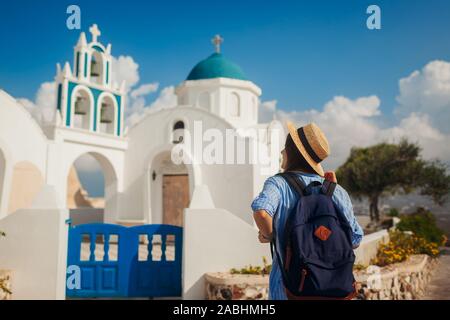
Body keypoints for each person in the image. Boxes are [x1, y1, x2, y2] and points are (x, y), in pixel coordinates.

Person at [251, 121, 364, 300]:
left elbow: (262, 212)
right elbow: (355, 238)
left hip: (289, 289)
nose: (281, 152)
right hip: (334, 290)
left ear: (292, 153)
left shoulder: (278, 184)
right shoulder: (337, 190)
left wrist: (271, 236)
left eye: (284, 148)